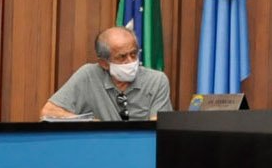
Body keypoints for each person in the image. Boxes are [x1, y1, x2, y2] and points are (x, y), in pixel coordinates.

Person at [42, 26, 173, 120]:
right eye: (122, 57)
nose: (131, 61)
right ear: (104, 63)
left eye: (133, 54)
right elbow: (48, 113)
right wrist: (90, 124)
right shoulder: (88, 75)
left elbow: (158, 127)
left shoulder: (156, 80)